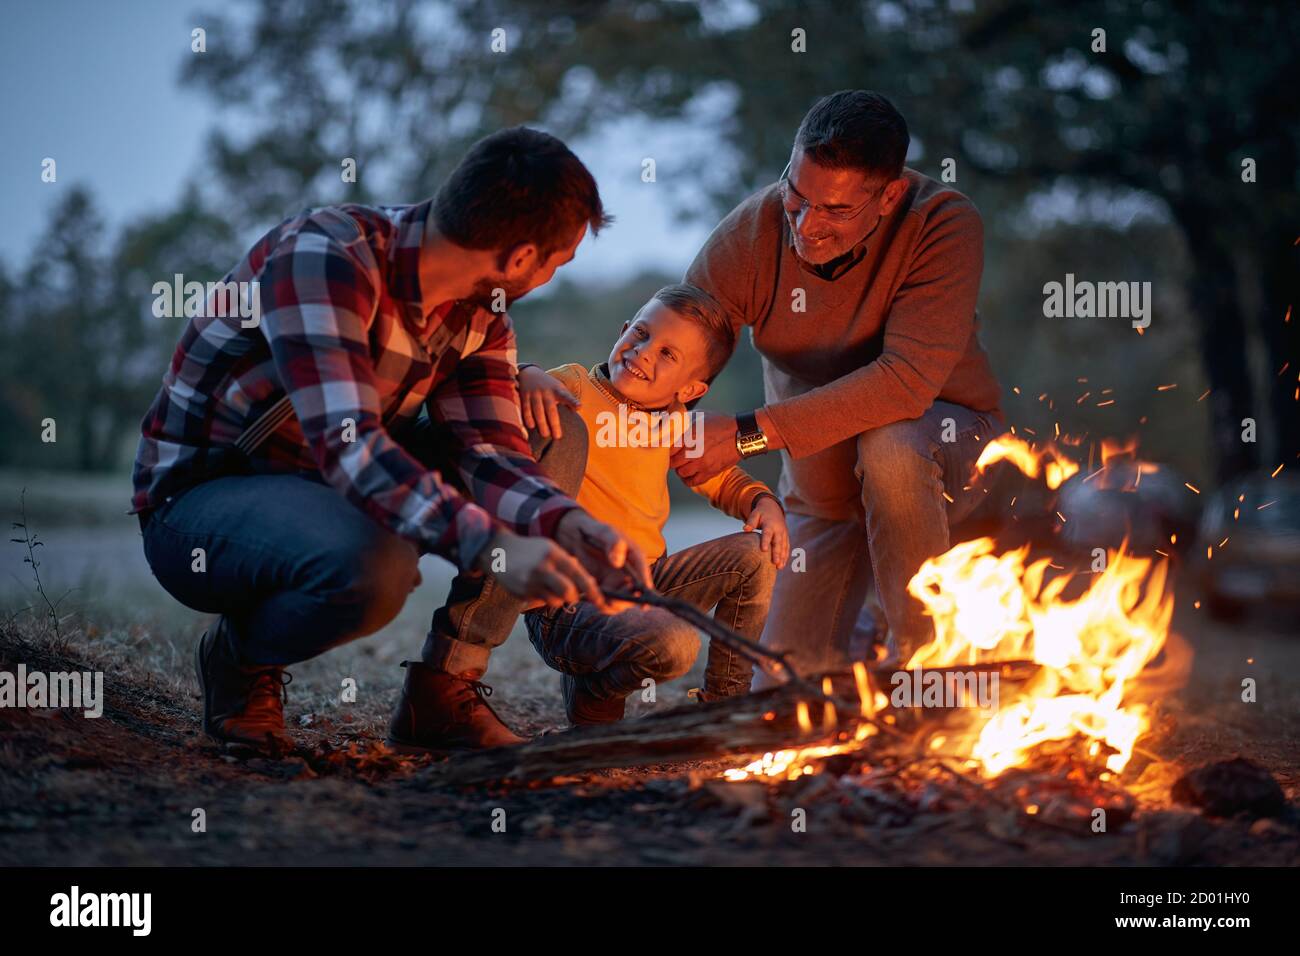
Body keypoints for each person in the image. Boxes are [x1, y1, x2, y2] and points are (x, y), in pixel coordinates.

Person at [132, 127, 650, 754]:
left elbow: (492, 451)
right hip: (202, 506)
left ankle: (442, 692)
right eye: (556, 262)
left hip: (330, 487)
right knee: (375, 568)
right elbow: (350, 448)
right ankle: (240, 660)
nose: (549, 277)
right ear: (518, 258)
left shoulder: (481, 312)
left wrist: (565, 523)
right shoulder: (325, 259)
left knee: (550, 432)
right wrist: (500, 549)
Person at [679, 90, 1005, 681]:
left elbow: (905, 383)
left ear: (889, 196)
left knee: (891, 447)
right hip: (822, 492)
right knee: (783, 696)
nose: (806, 225)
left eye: (834, 211)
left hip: (945, 449)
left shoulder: (943, 224)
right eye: (797, 197)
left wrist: (748, 435)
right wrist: (593, 397)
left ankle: (930, 676)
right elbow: (678, 338)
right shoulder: (752, 234)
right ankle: (860, 643)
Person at [428, 283, 787, 730]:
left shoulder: (676, 424)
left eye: (667, 354)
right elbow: (501, 394)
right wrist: (528, 372)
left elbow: (720, 477)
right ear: (622, 330)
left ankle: (724, 706)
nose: (642, 352)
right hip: (573, 601)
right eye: (640, 334)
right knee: (674, 646)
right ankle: (594, 689)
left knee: (755, 556)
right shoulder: (576, 387)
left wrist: (761, 499)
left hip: (646, 582)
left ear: (692, 387)